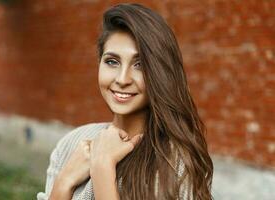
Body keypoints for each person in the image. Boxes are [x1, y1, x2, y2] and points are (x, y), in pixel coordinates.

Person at [37, 3, 213, 200]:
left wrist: (102, 167)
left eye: (140, 65)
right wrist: (65, 182)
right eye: (112, 61)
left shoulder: (175, 163)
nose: (122, 79)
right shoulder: (72, 144)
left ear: (160, 73)